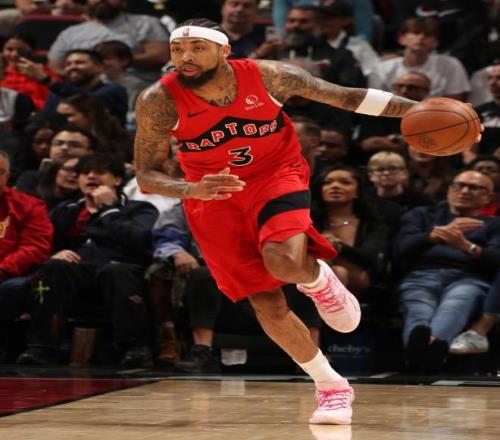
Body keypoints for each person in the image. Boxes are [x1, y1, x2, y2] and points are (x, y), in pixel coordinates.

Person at [134, 18, 420, 425]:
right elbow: (146, 175)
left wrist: (420, 110)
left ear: (224, 51)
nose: (185, 58)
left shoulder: (271, 76)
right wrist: (191, 189)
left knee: (283, 262)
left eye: (197, 48)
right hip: (212, 194)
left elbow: (346, 97)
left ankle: (317, 281)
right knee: (265, 301)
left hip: (276, 174)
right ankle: (331, 385)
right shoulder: (158, 100)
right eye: (178, 49)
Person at [17, 153, 159, 367]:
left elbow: (138, 240)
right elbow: (41, 241)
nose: (91, 177)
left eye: (100, 172)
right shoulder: (66, 209)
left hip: (119, 270)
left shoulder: (139, 209)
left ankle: (135, 348)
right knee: (53, 267)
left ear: (117, 180)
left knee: (115, 271)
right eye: (85, 173)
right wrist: (53, 254)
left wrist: (108, 209)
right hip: (77, 272)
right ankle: (41, 348)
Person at [394, 170, 500, 372]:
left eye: (474, 187)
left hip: (468, 279)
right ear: (449, 190)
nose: (464, 191)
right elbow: (401, 249)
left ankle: (418, 357)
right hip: (420, 276)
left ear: (489, 197)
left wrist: (466, 245)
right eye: (458, 185)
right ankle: (431, 353)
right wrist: (433, 236)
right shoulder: (422, 215)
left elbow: (496, 259)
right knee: (419, 310)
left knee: (455, 304)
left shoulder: (494, 225)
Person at [47, 0, 169, 82]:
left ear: (124, 2)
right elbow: (55, 66)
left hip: (137, 87)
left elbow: (161, 56)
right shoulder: (70, 33)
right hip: (85, 94)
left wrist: (121, 61)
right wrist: (83, 73)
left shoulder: (146, 23)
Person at [369, 17, 470, 100]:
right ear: (401, 39)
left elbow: (454, 102)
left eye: (427, 35)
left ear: (436, 42)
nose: (421, 37)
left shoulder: (450, 65)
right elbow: (374, 102)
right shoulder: (381, 68)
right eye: (416, 33)